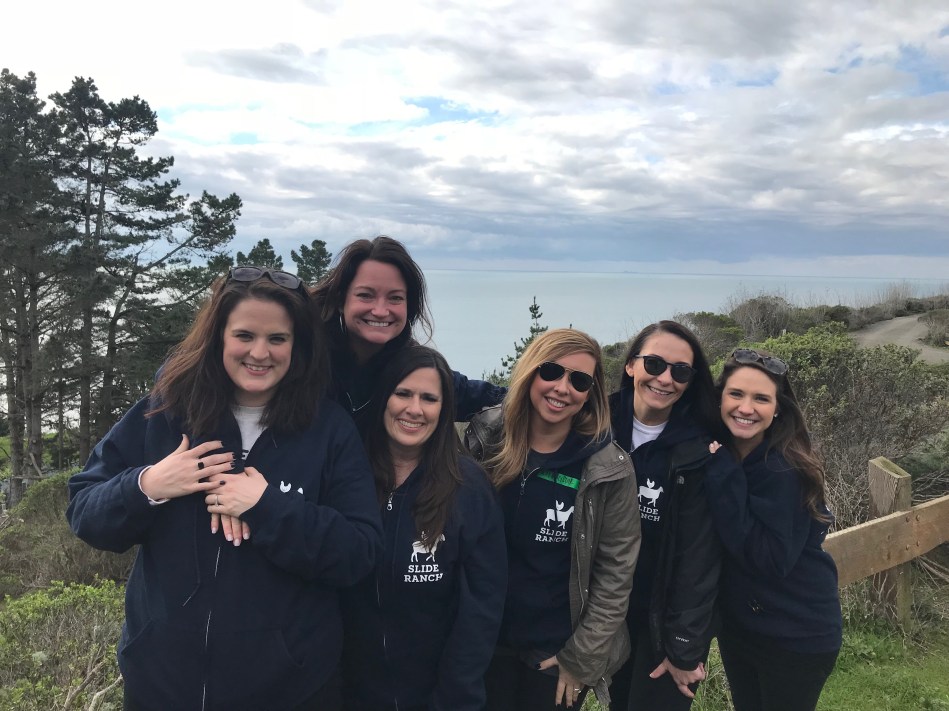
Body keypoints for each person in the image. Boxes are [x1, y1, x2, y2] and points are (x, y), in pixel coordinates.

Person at [66, 266, 383, 711]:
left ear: (298, 346)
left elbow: (359, 553)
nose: (260, 352)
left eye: (278, 338)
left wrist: (268, 507)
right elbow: (84, 511)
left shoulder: (328, 430)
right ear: (218, 337)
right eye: (244, 335)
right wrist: (149, 484)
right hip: (161, 687)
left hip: (289, 690)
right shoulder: (165, 414)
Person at [465, 328, 640, 711]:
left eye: (579, 381)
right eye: (551, 371)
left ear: (590, 392)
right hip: (481, 641)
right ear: (530, 372)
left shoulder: (608, 467)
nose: (563, 388)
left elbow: (615, 573)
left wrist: (581, 658)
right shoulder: (487, 438)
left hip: (554, 651)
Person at [341, 346, 507, 711]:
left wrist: (454, 697)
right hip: (345, 693)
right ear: (383, 397)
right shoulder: (346, 474)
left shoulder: (469, 487)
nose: (414, 409)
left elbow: (481, 610)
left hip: (439, 697)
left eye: (429, 398)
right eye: (403, 393)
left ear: (445, 409)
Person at [706, 348, 842, 711]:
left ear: (778, 408)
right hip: (743, 629)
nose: (746, 408)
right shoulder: (726, 453)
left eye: (761, 399)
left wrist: (723, 475)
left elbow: (770, 560)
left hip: (796, 634)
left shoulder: (781, 469)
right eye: (736, 394)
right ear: (719, 399)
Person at [606, 321, 723, 711]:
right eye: (654, 364)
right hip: (602, 612)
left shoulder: (700, 448)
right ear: (631, 365)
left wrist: (684, 646)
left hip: (665, 623)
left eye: (680, 371)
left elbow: (699, 557)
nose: (665, 379)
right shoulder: (595, 426)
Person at [310, 235, 504, 433]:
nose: (380, 311)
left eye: (395, 298)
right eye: (365, 295)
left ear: (409, 306)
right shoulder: (306, 359)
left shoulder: (414, 369)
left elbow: (490, 398)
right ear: (340, 301)